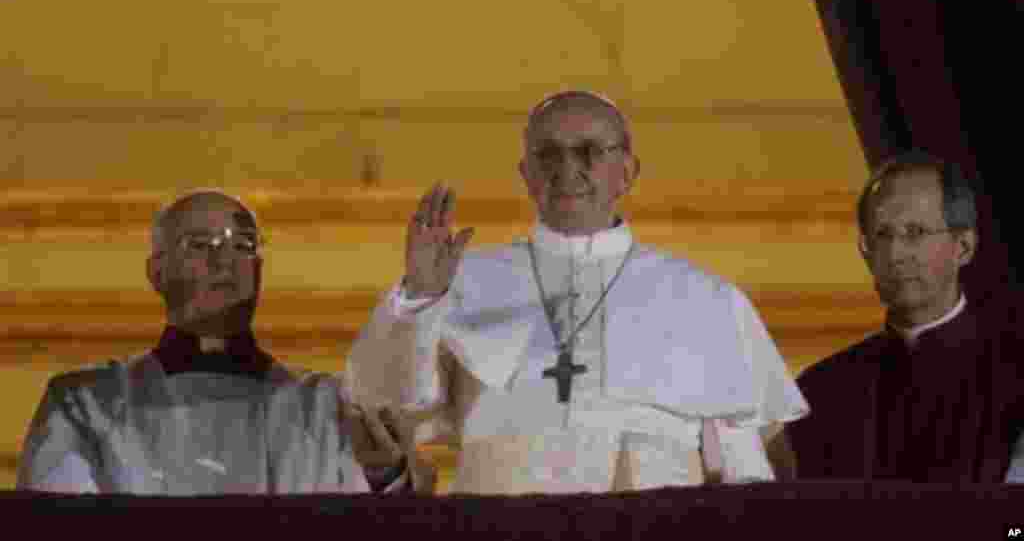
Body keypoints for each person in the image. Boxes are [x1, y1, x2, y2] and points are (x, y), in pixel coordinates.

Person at [346, 90, 808, 494]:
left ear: (627, 172)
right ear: (526, 174)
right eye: (548, 154)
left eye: (590, 151)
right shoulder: (460, 280)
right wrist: (418, 300)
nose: (568, 169)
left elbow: (749, 467)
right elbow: (383, 411)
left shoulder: (706, 298)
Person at [17, 190, 434, 494]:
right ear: (155, 272)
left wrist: (387, 477)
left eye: (243, 245)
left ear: (260, 269)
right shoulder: (85, 406)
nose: (225, 259)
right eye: (200, 245)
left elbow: (389, 529)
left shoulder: (326, 410)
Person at [787, 151, 1024, 482]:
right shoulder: (821, 392)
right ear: (866, 253)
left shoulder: (1015, 378)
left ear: (964, 247)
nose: (896, 255)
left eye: (915, 232)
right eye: (883, 236)